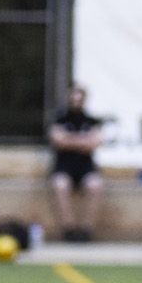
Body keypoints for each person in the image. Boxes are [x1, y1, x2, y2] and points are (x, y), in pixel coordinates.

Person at [49, 85, 104, 243]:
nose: (75, 102)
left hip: (85, 167)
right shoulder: (60, 119)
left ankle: (86, 230)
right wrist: (82, 140)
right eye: (73, 98)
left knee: (95, 185)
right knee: (60, 185)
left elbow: (94, 143)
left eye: (79, 99)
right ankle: (69, 230)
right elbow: (58, 141)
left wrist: (69, 139)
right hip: (64, 166)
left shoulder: (91, 121)